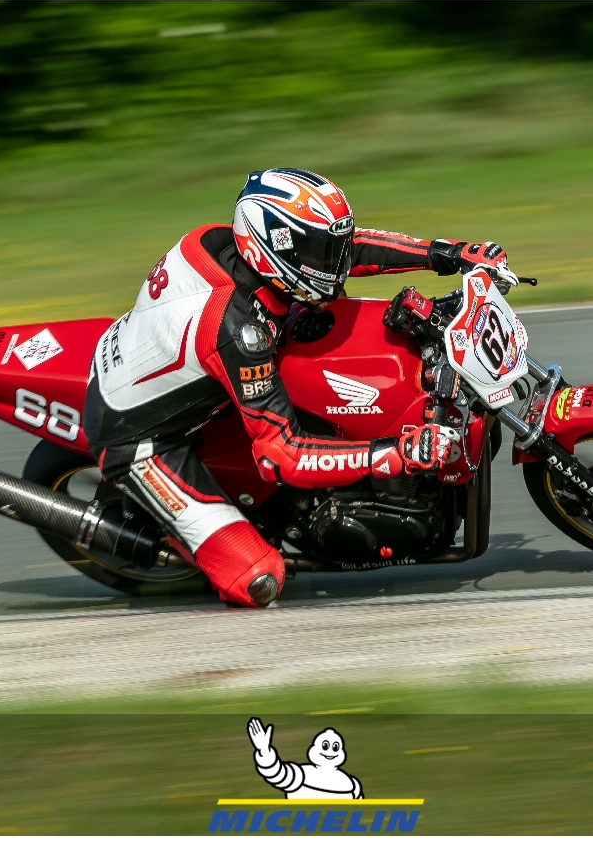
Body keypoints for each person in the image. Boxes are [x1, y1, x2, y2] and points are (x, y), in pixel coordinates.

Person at [83, 168, 515, 607]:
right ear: (272, 247)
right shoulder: (240, 332)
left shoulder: (232, 245)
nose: (335, 264)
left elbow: (350, 248)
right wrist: (396, 454)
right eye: (319, 253)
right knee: (259, 580)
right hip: (142, 440)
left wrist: (448, 254)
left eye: (328, 249)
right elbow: (282, 454)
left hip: (183, 369)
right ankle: (168, 537)